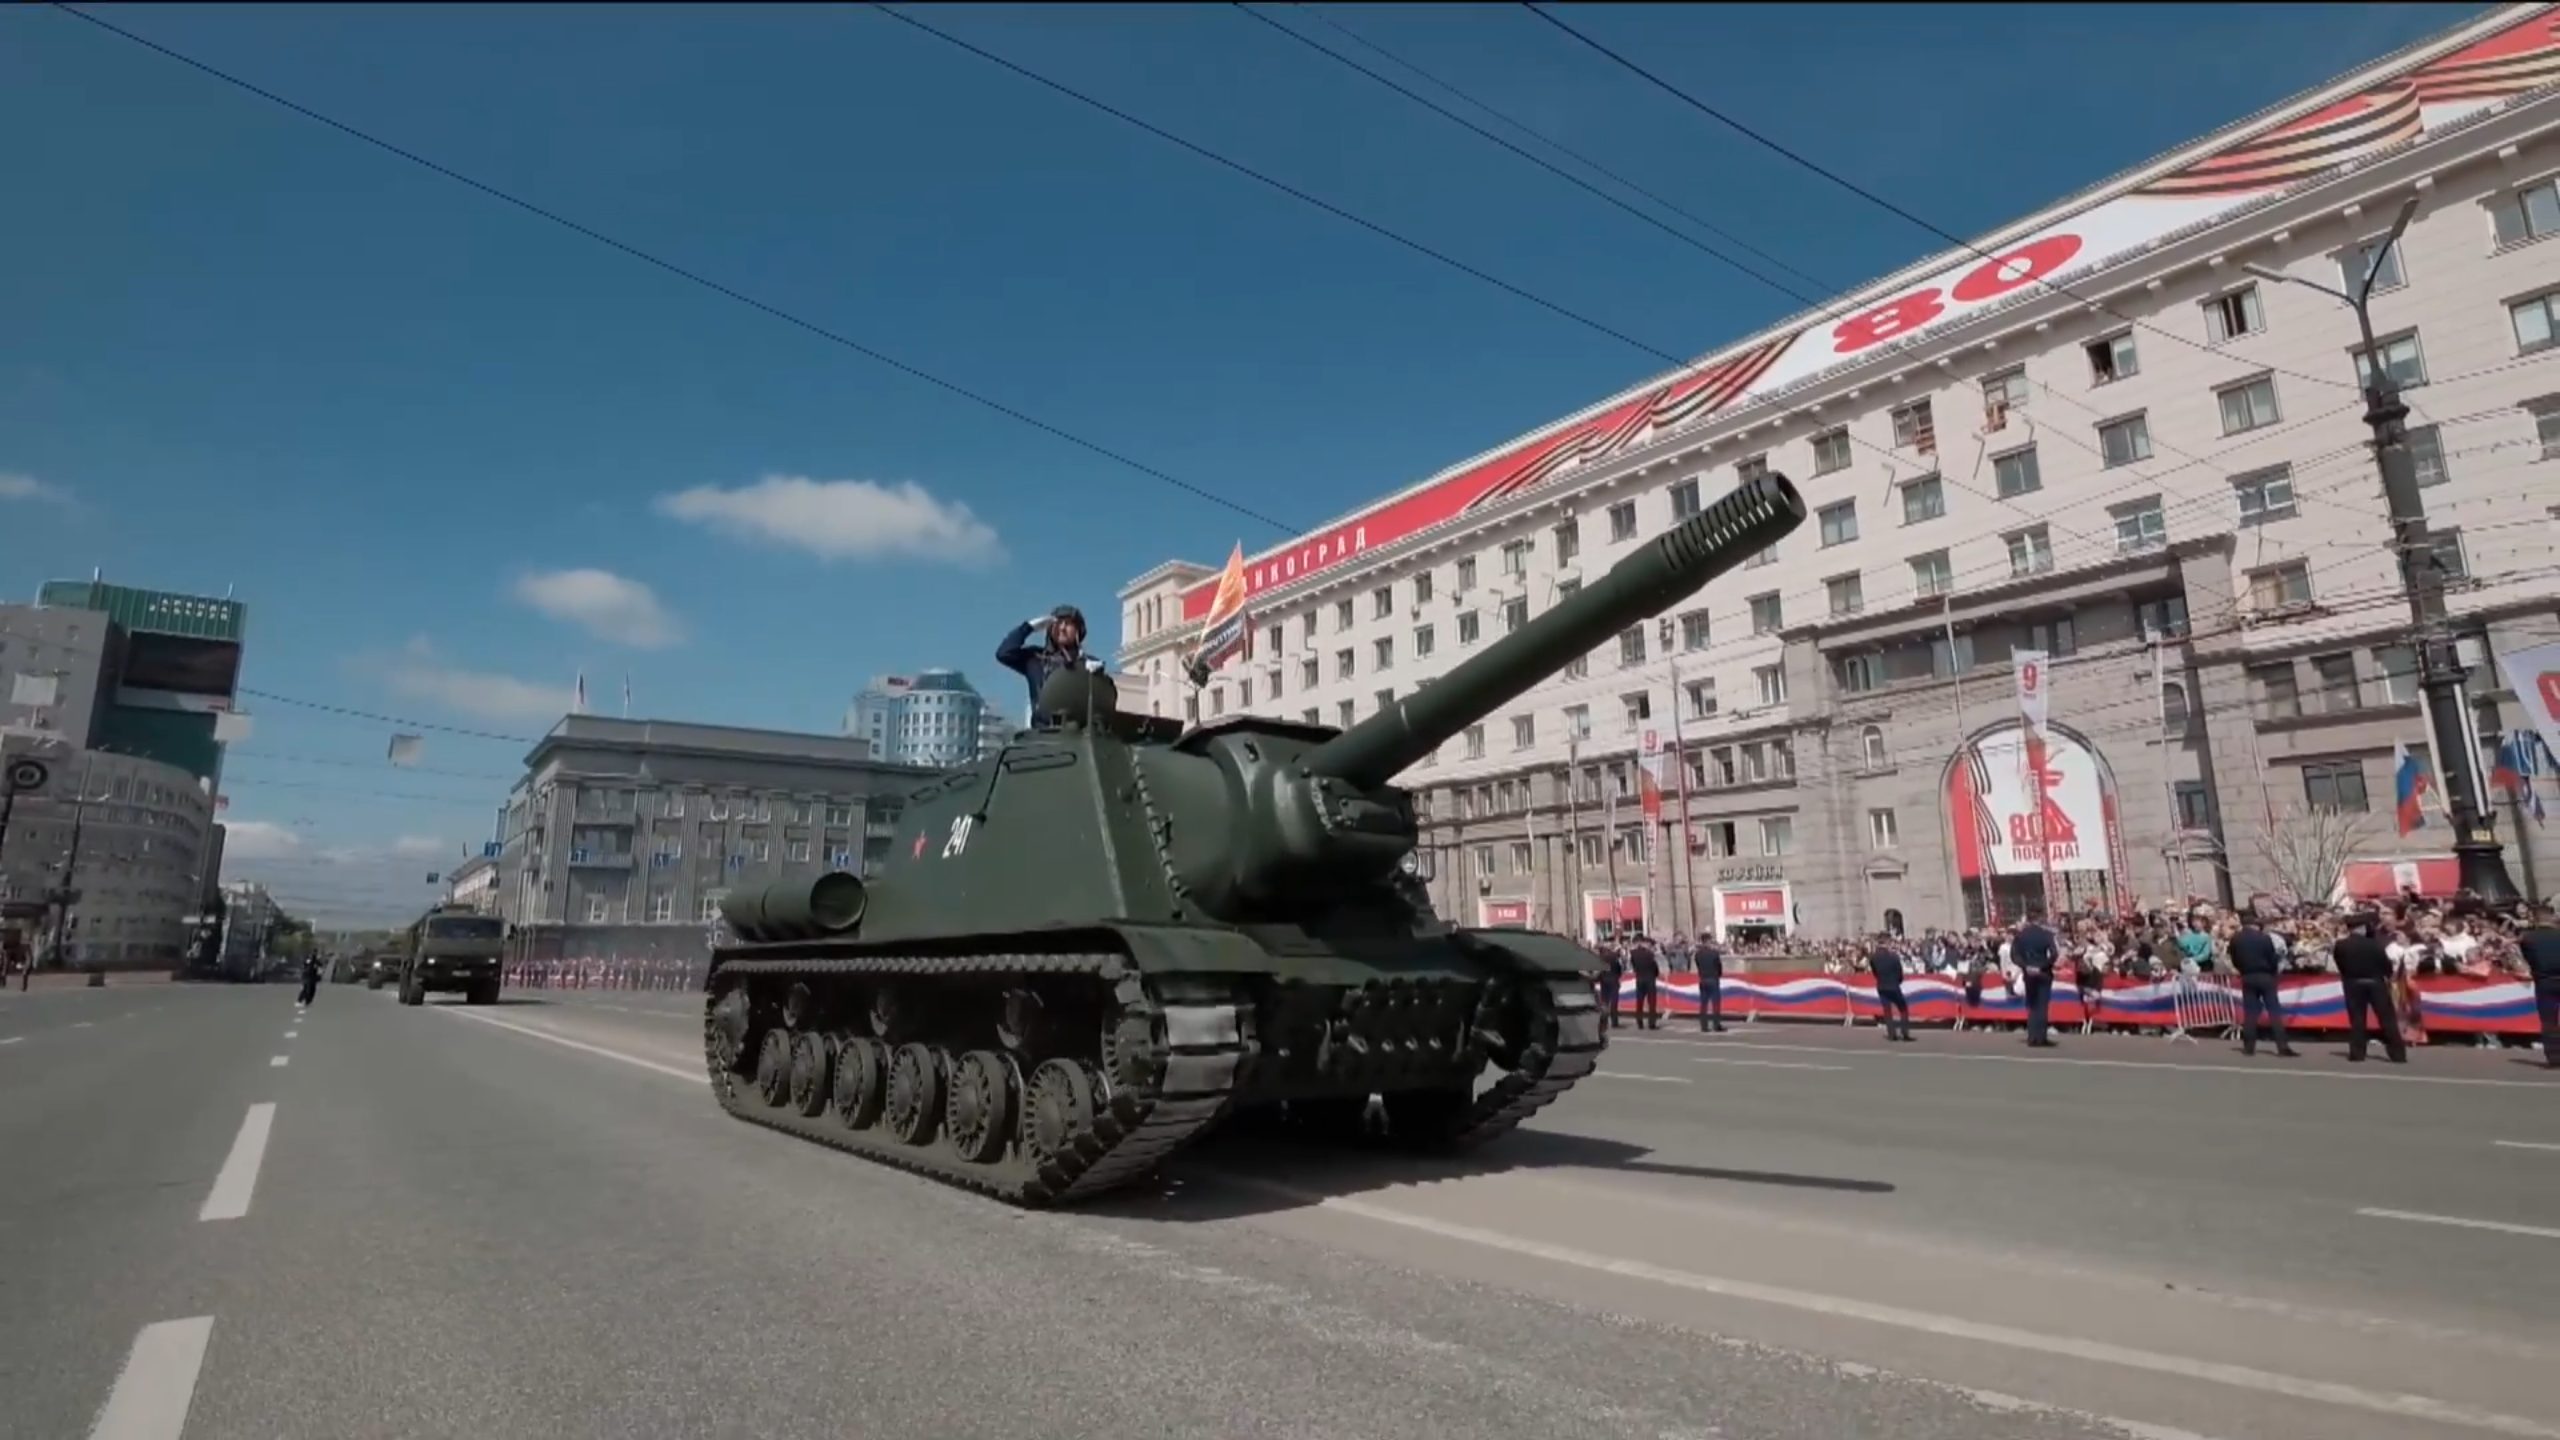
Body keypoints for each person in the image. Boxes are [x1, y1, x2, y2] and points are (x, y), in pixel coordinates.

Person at [995, 606, 1105, 717]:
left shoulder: (1088, 664)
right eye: (1058, 623)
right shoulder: (1036, 658)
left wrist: (1094, 675)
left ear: (1078, 630)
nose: (1062, 628)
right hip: (1043, 726)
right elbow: (1004, 653)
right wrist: (1028, 627)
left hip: (1076, 725)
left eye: (1068, 624)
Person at [2331, 911, 2408, 1064]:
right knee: (2387, 1019)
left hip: (2352, 983)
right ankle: (2398, 1054)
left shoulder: (2341, 945)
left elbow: (2340, 965)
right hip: (2375, 983)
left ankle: (2357, 1053)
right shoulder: (2375, 945)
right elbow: (2386, 967)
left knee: (2357, 1019)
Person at [2227, 913, 2297, 1058]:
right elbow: (2272, 958)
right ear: (2255, 924)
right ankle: (2282, 1046)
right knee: (2274, 1012)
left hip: (2247, 975)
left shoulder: (2236, 939)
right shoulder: (2264, 938)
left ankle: (2249, 1047)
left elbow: (2234, 958)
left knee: (2250, 1013)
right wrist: (2273, 971)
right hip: (2265, 975)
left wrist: (2242, 969)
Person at [2518, 901, 2560, 1069]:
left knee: (2549, 1021)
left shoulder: (2528, 938)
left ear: (2535, 918)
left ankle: (2554, 1058)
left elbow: (2528, 958)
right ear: (2552, 916)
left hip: (2544, 983)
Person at [2011, 915, 2059, 1047]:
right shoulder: (2047, 935)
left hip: (2028, 973)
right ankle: (2041, 1037)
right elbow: (2054, 954)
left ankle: (2032, 1037)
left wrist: (2025, 966)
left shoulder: (2021, 935)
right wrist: (2043, 965)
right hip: (2043, 973)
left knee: (2032, 1005)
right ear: (2039, 920)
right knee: (2042, 1006)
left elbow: (2014, 955)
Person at [1869, 934, 1913, 1042]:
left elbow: (1874, 971)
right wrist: (1897, 981)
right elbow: (1899, 972)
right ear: (1887, 943)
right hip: (1893, 985)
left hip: (1881, 985)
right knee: (1903, 1008)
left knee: (1887, 1010)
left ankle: (1891, 1034)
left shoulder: (1873, 957)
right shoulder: (1893, 957)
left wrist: (1881, 978)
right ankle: (1904, 1032)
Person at [1694, 933, 1727, 1033]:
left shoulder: (1698, 954)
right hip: (1713, 979)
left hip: (1703, 979)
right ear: (1708, 941)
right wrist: (1718, 974)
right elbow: (1719, 966)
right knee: (1715, 1003)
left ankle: (1704, 1025)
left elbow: (1698, 965)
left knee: (1703, 1004)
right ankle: (1716, 1024)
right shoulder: (1714, 953)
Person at [1627, 934, 1661, 1030]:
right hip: (1650, 979)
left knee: (1639, 1001)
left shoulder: (1633, 953)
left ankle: (1639, 1022)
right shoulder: (1649, 954)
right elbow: (1655, 967)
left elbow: (1633, 965)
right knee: (1652, 1002)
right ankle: (1651, 1023)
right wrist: (1655, 974)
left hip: (1639, 978)